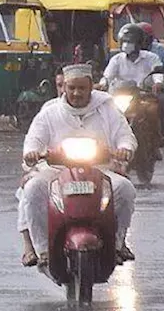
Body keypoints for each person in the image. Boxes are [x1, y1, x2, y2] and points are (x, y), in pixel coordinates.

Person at [17, 63, 137, 267]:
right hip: (56, 171)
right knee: (32, 189)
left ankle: (117, 244)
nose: (76, 93)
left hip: (101, 169)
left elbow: (125, 136)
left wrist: (125, 148)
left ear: (91, 87)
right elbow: (34, 138)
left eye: (81, 88)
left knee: (125, 189)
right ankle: (43, 250)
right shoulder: (50, 112)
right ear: (64, 87)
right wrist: (32, 152)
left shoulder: (107, 109)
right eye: (71, 88)